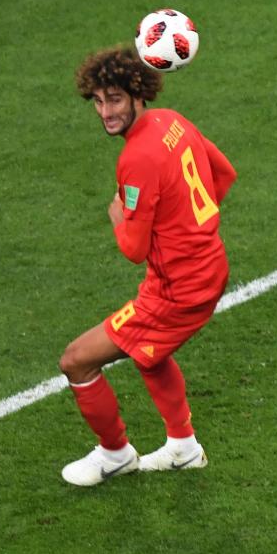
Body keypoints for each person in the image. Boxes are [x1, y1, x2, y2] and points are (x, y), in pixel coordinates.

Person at [59, 46, 237, 486]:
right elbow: (224, 174)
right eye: (98, 102)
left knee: (77, 361)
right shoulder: (173, 121)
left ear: (139, 95)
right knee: (150, 358)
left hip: (177, 290)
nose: (106, 112)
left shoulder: (136, 157)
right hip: (208, 264)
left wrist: (118, 216)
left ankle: (114, 453)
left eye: (115, 99)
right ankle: (183, 447)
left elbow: (134, 249)